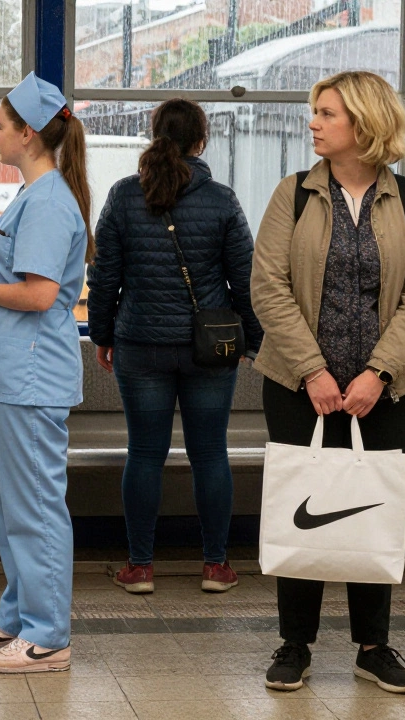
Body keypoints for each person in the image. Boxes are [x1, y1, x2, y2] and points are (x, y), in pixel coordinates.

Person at [251, 71, 405, 694]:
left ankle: (374, 646)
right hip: (296, 384)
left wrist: (376, 373)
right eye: (315, 112)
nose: (314, 122)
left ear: (362, 122)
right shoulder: (294, 195)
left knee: (371, 508)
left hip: (386, 388)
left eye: (326, 113)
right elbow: (268, 288)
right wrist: (312, 370)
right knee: (302, 504)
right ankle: (294, 643)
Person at [87, 98, 263, 596]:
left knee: (144, 453)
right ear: (201, 141)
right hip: (210, 349)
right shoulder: (222, 199)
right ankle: (215, 566)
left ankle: (140, 567)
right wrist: (253, 341)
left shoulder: (124, 196)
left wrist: (101, 335)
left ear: (154, 136)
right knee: (210, 453)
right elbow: (245, 280)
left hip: (139, 344)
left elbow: (103, 278)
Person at [0, 72, 90, 673]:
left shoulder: (51, 201)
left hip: (31, 379)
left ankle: (49, 634)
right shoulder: (31, 196)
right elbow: (21, 287)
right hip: (10, 375)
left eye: (2, 126)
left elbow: (38, 295)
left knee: (35, 507)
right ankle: (17, 617)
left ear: (28, 134)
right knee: (11, 506)